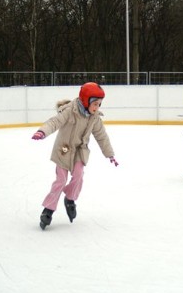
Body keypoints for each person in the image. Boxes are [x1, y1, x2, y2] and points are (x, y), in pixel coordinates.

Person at [32, 82, 118, 230]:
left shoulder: (94, 117)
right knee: (61, 180)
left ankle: (70, 199)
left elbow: (101, 136)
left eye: (99, 104)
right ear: (86, 101)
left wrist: (109, 154)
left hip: (79, 151)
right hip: (63, 149)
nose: (97, 107)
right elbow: (54, 122)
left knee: (78, 175)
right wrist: (42, 131)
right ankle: (48, 209)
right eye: (95, 104)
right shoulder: (69, 111)